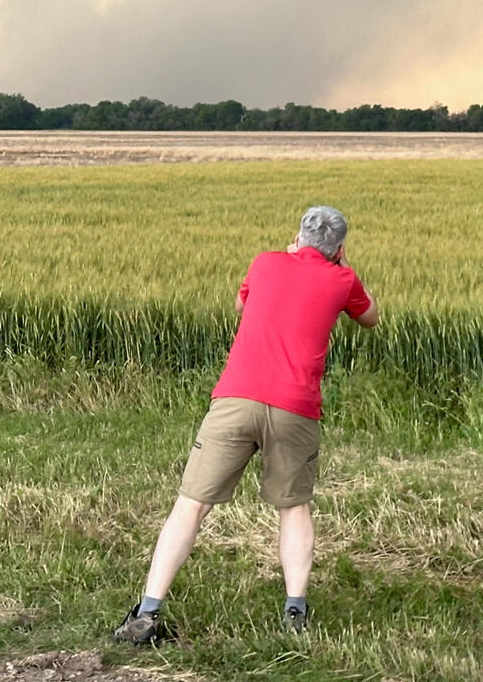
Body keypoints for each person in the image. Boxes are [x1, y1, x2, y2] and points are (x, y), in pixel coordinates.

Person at [113, 205, 378, 643]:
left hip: (236, 397)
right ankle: (295, 613)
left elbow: (242, 305)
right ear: (338, 248)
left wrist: (288, 259)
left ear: (298, 236)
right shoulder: (342, 279)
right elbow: (370, 318)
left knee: (191, 503)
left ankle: (147, 612)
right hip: (296, 408)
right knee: (293, 506)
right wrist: (342, 267)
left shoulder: (265, 262)